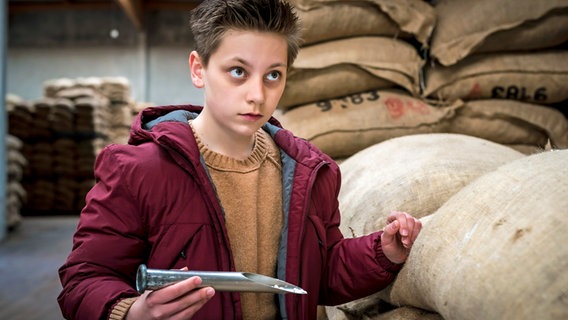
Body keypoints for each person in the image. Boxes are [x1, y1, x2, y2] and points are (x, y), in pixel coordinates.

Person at [57, 0, 422, 319]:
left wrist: (382, 252)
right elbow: (84, 278)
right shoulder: (139, 170)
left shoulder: (310, 173)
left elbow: (318, 277)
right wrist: (131, 312)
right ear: (199, 69)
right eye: (238, 72)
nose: (257, 95)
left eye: (273, 75)